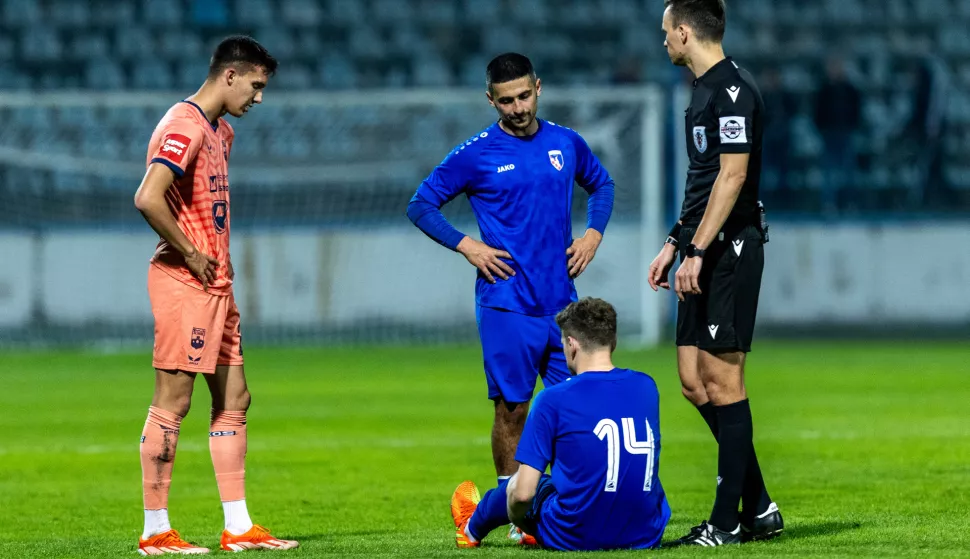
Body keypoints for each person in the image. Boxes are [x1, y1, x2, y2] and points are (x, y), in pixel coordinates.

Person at [406, 53, 615, 541]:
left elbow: (601, 184)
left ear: (538, 87)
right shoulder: (475, 152)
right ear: (490, 99)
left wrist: (592, 235)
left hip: (564, 309)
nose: (518, 107)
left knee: (577, 407)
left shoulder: (566, 142)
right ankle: (519, 521)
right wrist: (468, 245)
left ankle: (571, 504)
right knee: (512, 410)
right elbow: (421, 203)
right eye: (506, 100)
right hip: (507, 306)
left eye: (524, 96)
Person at [133, 35, 297, 555]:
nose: (259, 97)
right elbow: (148, 196)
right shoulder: (184, 125)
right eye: (256, 85)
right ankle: (155, 530)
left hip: (217, 286)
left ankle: (239, 526)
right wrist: (190, 252)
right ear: (230, 75)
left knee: (235, 399)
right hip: (187, 283)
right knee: (173, 403)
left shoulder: (219, 131)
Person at [648, 0, 783, 546]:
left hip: (730, 249)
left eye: (665, 34)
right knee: (691, 379)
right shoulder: (700, 91)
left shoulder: (733, 89)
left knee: (725, 382)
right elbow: (703, 179)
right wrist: (674, 242)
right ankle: (760, 506)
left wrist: (698, 251)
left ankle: (726, 522)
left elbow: (733, 175)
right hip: (701, 245)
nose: (662, 43)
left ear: (684, 32)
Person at [449, 298, 670, 551]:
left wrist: (522, 521)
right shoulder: (646, 387)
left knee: (519, 484)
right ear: (613, 342)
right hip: (646, 535)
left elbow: (523, 493)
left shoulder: (553, 398)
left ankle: (470, 528)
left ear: (572, 345)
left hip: (573, 536)